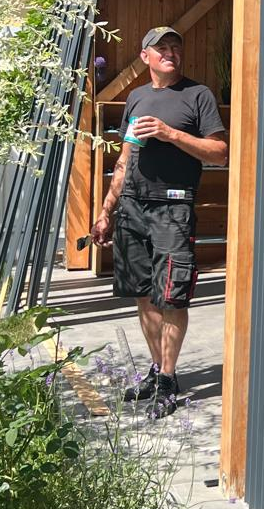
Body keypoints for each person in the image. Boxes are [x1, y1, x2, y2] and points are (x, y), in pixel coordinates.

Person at [90, 26, 228, 416]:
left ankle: (168, 377)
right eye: (161, 48)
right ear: (145, 56)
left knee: (172, 295)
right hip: (132, 207)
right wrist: (106, 211)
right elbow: (124, 159)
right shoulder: (136, 97)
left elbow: (219, 152)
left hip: (173, 207)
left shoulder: (197, 95)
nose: (170, 53)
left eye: (175, 48)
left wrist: (170, 134)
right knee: (143, 293)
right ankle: (156, 369)